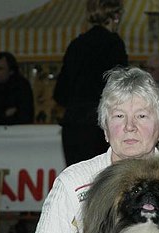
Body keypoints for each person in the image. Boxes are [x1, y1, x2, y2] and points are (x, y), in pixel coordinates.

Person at [26, 67, 159, 233]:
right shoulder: (72, 184)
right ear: (105, 129)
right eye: (119, 116)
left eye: (142, 116)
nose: (130, 126)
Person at [53, 0, 128, 166]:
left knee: (78, 182)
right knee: (103, 183)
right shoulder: (114, 44)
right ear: (116, 16)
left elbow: (60, 93)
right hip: (100, 126)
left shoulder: (76, 44)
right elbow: (120, 89)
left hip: (73, 125)